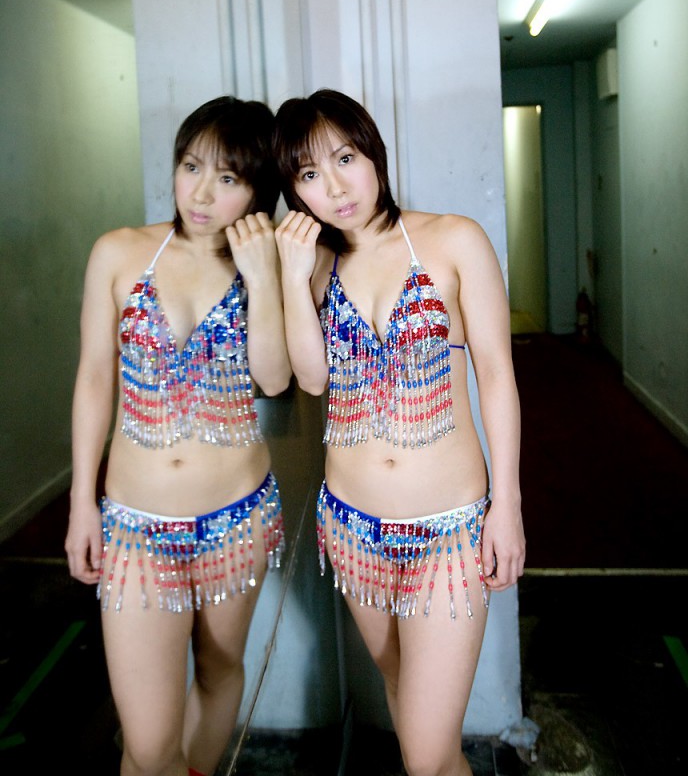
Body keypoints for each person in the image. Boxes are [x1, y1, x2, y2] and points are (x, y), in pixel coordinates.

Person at [273, 89, 525, 776]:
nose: (334, 187)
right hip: (352, 529)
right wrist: (292, 278)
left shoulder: (454, 238)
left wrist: (507, 505)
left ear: (373, 153)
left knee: (424, 752)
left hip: (447, 531)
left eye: (345, 159)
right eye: (309, 174)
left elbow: (497, 376)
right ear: (295, 192)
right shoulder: (319, 265)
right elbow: (312, 379)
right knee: (406, 699)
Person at [65, 96, 292, 776]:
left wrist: (262, 277)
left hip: (239, 521)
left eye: (228, 178)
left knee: (220, 672)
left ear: (258, 191)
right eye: (191, 167)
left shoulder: (271, 265)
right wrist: (82, 505)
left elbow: (275, 380)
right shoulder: (118, 252)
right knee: (147, 746)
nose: (200, 193)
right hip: (137, 525)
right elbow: (94, 380)